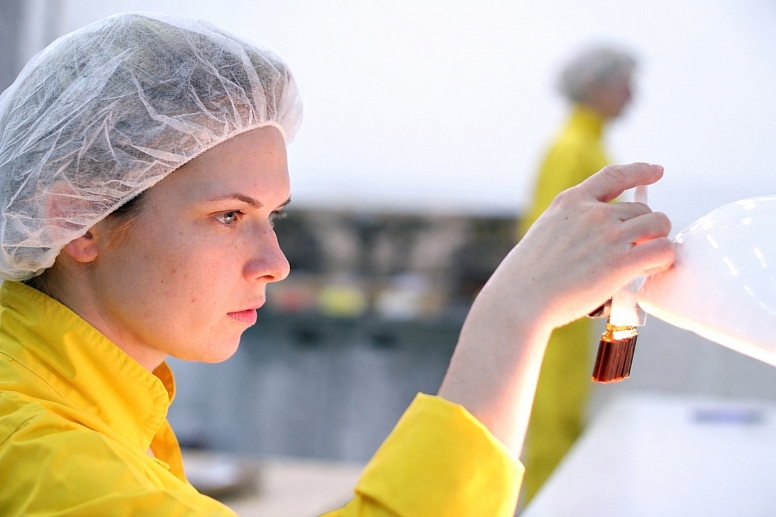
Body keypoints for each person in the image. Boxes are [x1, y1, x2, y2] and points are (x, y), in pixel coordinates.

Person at [0, 14, 673, 517]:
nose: (275, 263)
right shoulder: (49, 464)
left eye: (275, 216)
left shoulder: (77, 388)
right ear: (78, 219)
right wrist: (511, 316)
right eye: (230, 215)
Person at [519, 45, 637, 504]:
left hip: (575, 310)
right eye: (624, 83)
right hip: (561, 312)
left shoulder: (590, 146)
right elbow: (548, 240)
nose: (633, 95)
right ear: (594, 88)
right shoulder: (573, 149)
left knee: (566, 425)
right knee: (553, 429)